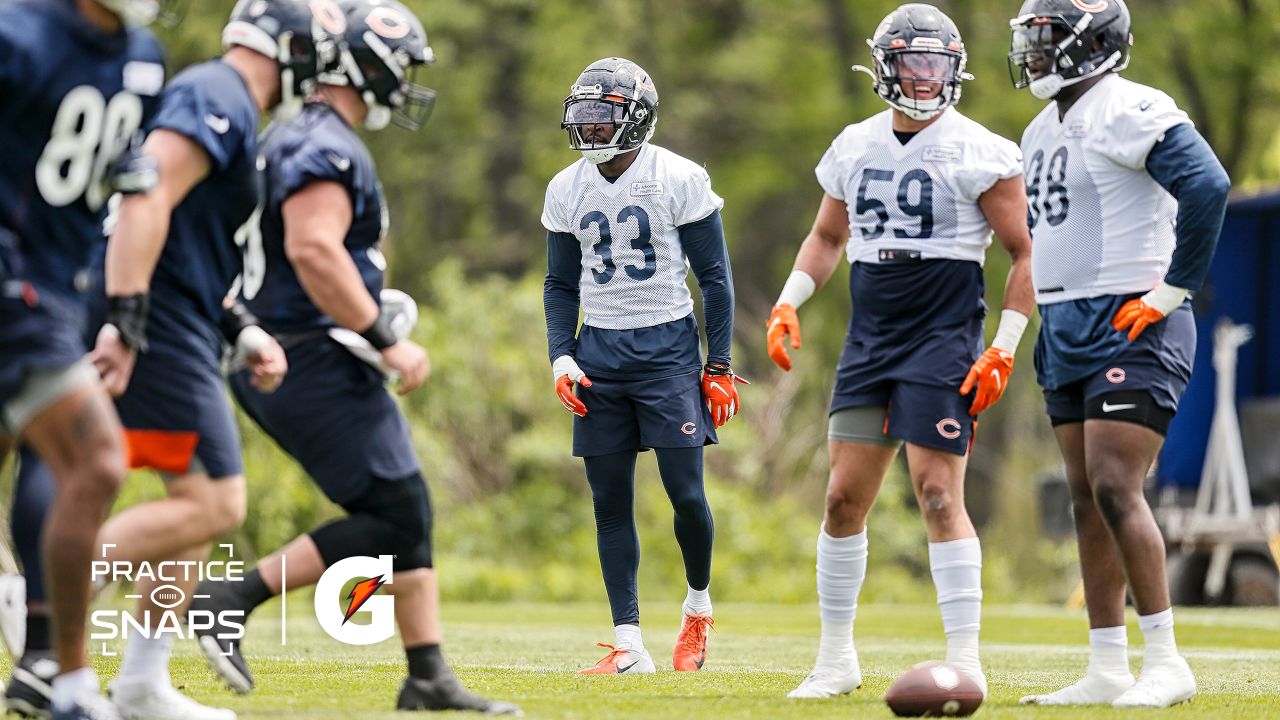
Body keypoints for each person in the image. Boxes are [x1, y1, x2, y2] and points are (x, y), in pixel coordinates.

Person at [187, 1, 520, 714]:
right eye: (398, 68)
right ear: (364, 65)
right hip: (308, 353)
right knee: (392, 512)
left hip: (296, 349)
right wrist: (383, 335)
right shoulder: (325, 144)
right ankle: (229, 597)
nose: (402, 86)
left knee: (406, 509)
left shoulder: (294, 134)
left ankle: (427, 675)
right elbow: (313, 249)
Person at [13, 0, 330, 717]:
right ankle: (45, 612)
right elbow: (143, 197)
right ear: (291, 48)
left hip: (176, 315)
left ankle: (136, 679)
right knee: (214, 499)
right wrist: (126, 315)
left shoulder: (206, 92)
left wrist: (239, 325)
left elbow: (191, 239)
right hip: (150, 318)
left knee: (191, 505)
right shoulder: (218, 91)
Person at [769, 3, 1034, 700]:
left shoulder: (982, 148)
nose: (924, 77)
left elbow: (1025, 251)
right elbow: (828, 238)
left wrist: (1004, 346)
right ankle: (835, 659)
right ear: (884, 66)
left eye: (936, 64)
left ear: (955, 68)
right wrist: (790, 299)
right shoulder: (855, 144)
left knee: (940, 494)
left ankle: (966, 658)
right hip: (871, 333)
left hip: (944, 332)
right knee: (840, 499)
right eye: (912, 63)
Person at [1008, 0, 1230, 708]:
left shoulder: (1130, 106)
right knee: (1083, 499)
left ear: (1091, 44)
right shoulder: (1042, 126)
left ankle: (1165, 660)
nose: (1034, 53)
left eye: (1046, 40)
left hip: (1132, 317)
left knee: (1113, 483)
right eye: (1031, 41)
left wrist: (1171, 292)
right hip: (1065, 321)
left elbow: (1208, 184)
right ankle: (1107, 663)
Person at [542, 56, 743, 675]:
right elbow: (558, 284)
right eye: (584, 114)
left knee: (686, 495)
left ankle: (698, 608)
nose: (591, 127)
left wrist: (719, 365)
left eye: (603, 115)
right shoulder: (565, 187)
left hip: (667, 353)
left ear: (637, 118)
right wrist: (560, 356)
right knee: (609, 503)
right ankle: (629, 645)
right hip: (599, 354)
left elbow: (715, 278)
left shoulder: (677, 176)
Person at [0, 1, 165, 717]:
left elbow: (116, 173)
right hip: (14, 286)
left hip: (56, 290)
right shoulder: (16, 34)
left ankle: (55, 677)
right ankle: (66, 683)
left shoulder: (146, 58)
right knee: (97, 460)